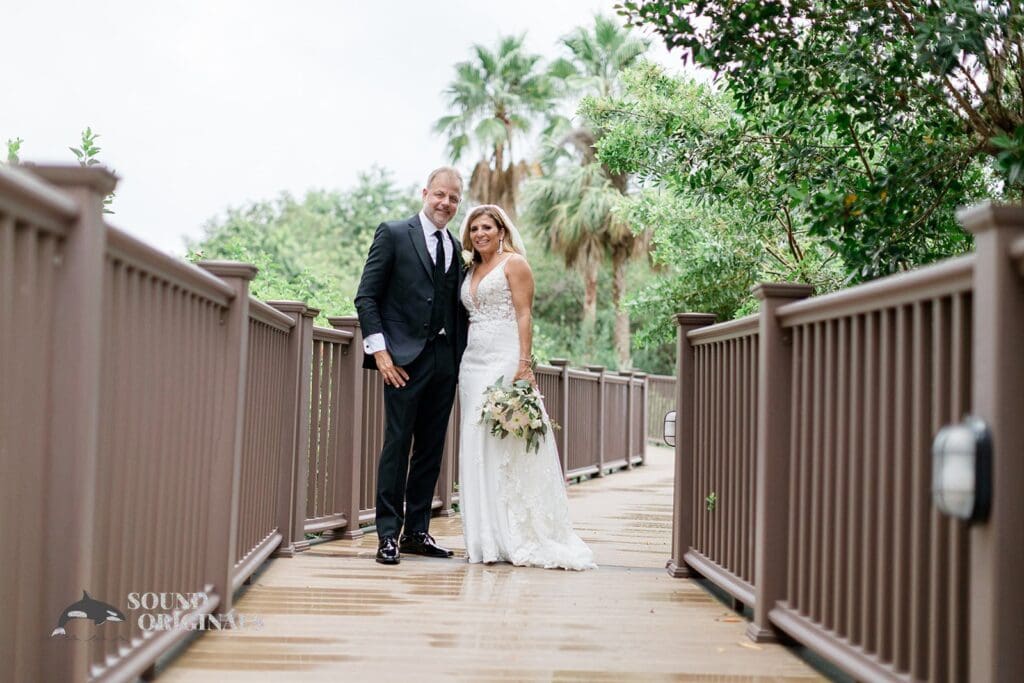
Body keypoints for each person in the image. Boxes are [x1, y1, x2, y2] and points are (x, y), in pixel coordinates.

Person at [456, 204, 596, 571]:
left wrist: (524, 364)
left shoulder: (514, 264)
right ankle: (485, 537)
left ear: (501, 230)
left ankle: (515, 533)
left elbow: (524, 313)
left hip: (504, 358)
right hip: (471, 363)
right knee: (475, 443)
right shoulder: (470, 268)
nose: (480, 234)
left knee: (501, 441)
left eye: (486, 227)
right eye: (474, 229)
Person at [354, 167, 467, 565]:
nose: (446, 204)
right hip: (401, 361)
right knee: (397, 446)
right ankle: (387, 535)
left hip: (444, 362)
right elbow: (366, 297)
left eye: (453, 198)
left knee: (431, 451)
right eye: (440, 195)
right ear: (425, 193)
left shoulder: (456, 246)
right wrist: (380, 354)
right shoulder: (394, 233)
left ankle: (418, 532)